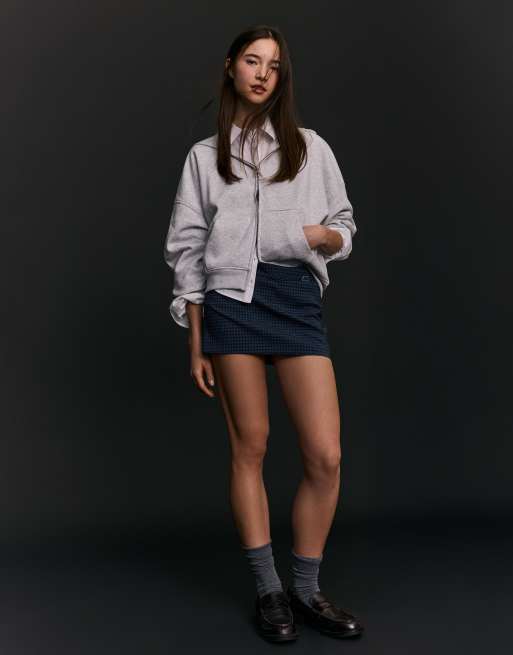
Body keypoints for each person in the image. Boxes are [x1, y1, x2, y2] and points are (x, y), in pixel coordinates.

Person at [163, 24, 364, 643]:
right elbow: (187, 249)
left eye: (273, 67)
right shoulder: (204, 157)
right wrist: (196, 337)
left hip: (294, 298)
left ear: (282, 78)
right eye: (252, 61)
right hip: (230, 303)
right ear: (231, 67)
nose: (262, 74)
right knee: (250, 446)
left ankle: (306, 588)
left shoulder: (310, 149)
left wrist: (320, 237)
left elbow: (344, 225)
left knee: (325, 455)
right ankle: (269, 590)